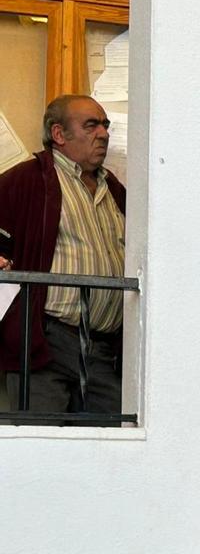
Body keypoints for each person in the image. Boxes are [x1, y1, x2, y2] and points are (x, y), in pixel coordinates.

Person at [0, 95, 125, 417]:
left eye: (105, 125)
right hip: (45, 342)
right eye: (91, 125)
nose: (104, 133)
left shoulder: (114, 189)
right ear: (59, 134)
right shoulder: (27, 180)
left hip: (103, 348)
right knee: (40, 448)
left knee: (114, 448)